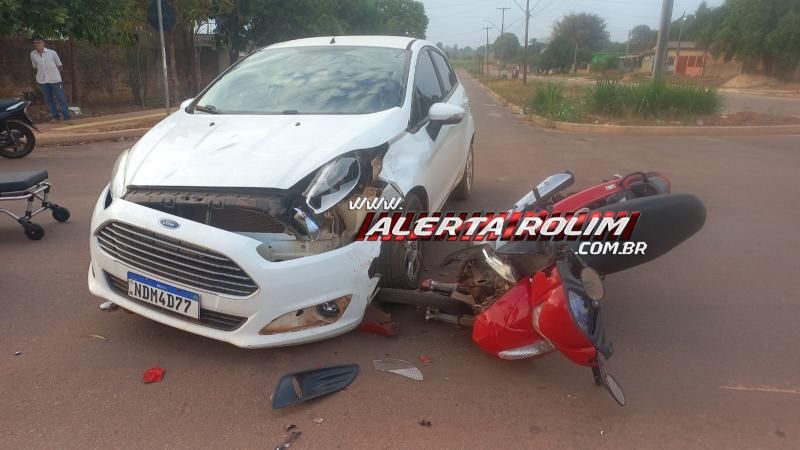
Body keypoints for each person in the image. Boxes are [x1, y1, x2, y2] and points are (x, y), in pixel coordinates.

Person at [30, 35, 71, 122]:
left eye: (39, 42)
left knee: (61, 98)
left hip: (55, 80)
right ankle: (55, 117)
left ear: (43, 43)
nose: (37, 45)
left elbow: (60, 66)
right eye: (35, 43)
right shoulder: (33, 54)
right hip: (42, 81)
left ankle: (66, 116)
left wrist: (54, 74)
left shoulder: (52, 53)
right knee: (49, 100)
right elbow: (36, 67)